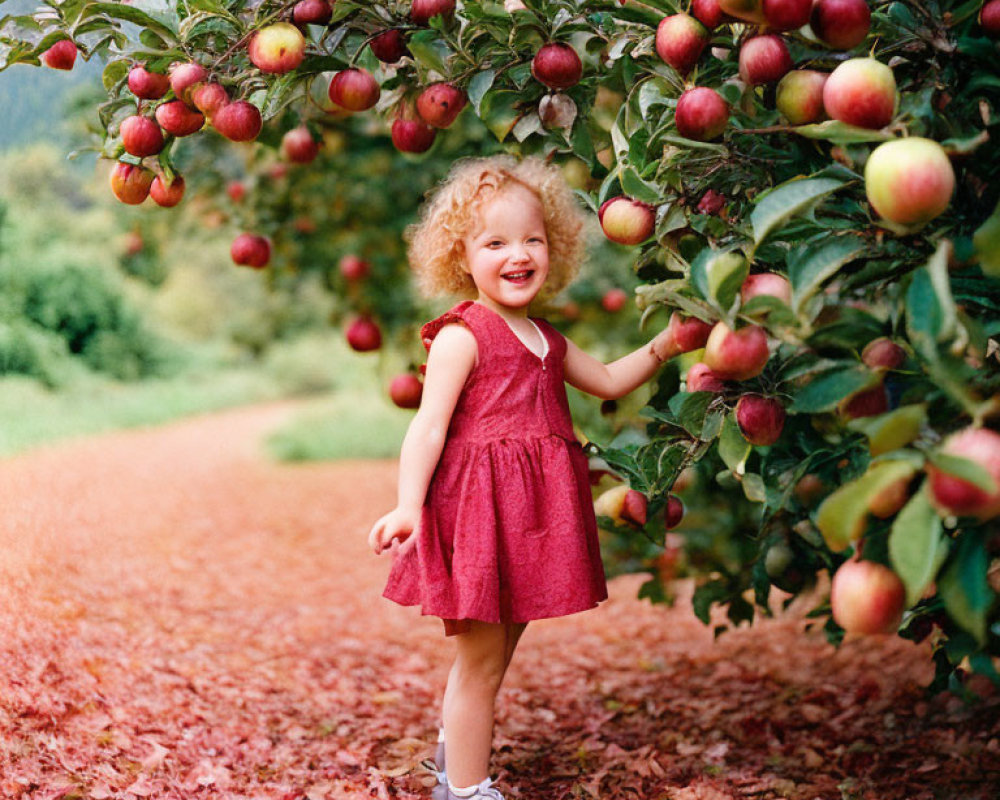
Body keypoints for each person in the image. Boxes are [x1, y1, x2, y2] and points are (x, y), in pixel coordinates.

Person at [367, 155, 678, 800]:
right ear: (463, 256)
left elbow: (613, 380)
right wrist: (405, 507)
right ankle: (467, 789)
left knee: (495, 656)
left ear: (554, 247)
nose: (518, 254)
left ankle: (456, 766)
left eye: (532, 238)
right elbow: (427, 428)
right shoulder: (463, 335)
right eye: (496, 242)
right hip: (482, 517)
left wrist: (668, 345)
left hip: (529, 520)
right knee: (481, 662)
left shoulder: (544, 337)